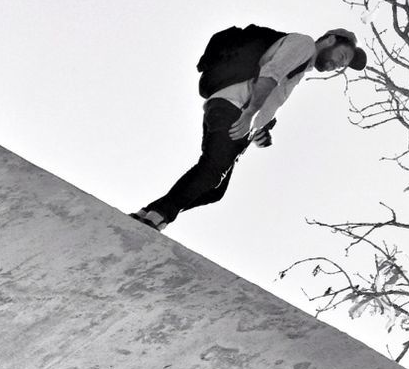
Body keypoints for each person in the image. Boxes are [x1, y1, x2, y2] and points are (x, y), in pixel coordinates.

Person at [130, 26, 367, 230]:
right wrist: (250, 114)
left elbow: (270, 91)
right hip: (235, 108)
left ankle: (149, 214)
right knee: (213, 170)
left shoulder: (302, 68)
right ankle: (158, 216)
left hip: (237, 113)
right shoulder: (304, 45)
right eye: (343, 55)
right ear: (330, 40)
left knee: (215, 190)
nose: (340, 64)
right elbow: (269, 75)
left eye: (344, 64)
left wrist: (260, 131)